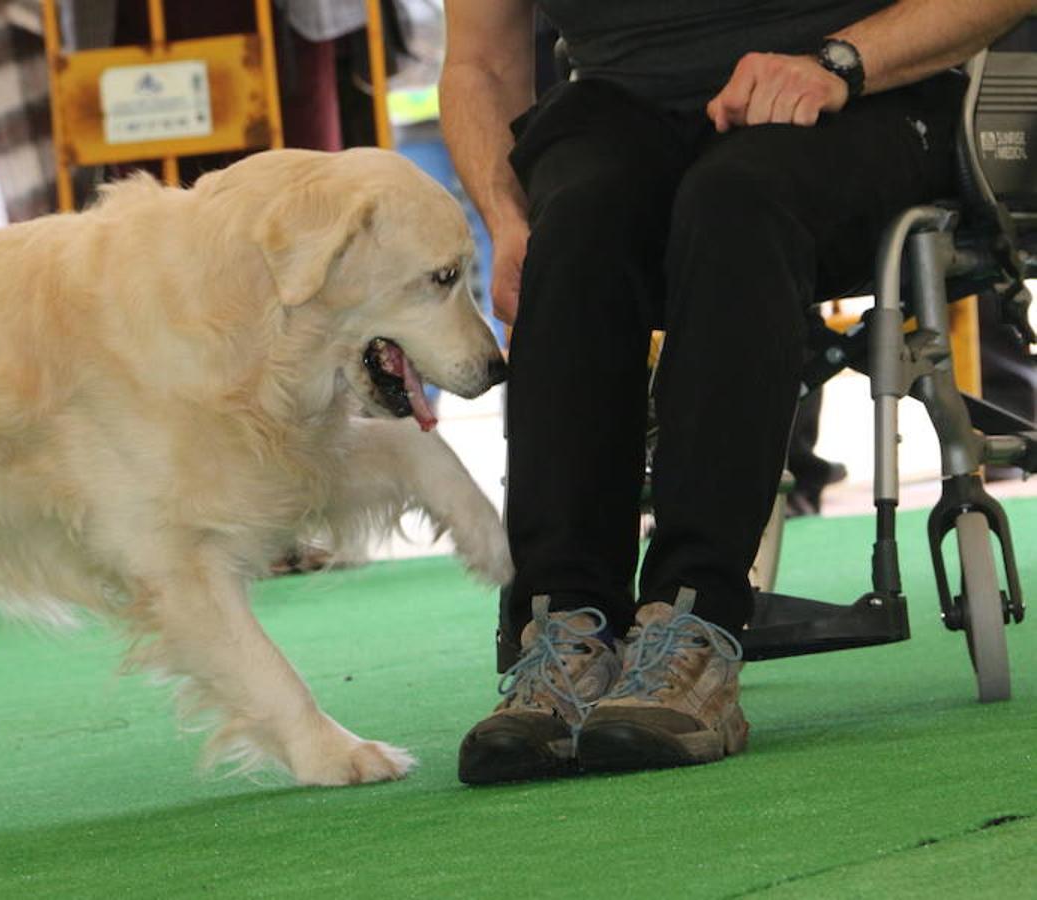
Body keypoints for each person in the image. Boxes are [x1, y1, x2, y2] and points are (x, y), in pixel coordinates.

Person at [440, 0, 1034, 785]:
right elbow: (480, 62)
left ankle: (695, 621)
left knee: (735, 198)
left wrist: (837, 65)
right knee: (575, 222)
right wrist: (505, 218)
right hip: (626, 107)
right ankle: (562, 631)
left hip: (865, 93)